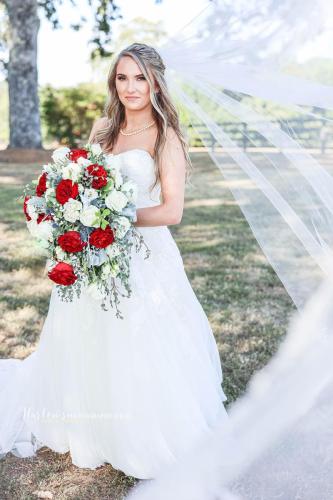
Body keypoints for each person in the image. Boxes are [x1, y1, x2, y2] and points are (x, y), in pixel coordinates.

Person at [0, 42, 228, 479]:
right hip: (93, 255)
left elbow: (171, 211)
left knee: (139, 339)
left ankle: (134, 423)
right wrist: (74, 220)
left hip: (143, 256)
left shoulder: (167, 137)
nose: (130, 87)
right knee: (85, 332)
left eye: (140, 77)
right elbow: (83, 180)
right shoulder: (104, 128)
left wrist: (112, 219)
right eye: (122, 77)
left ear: (157, 80)